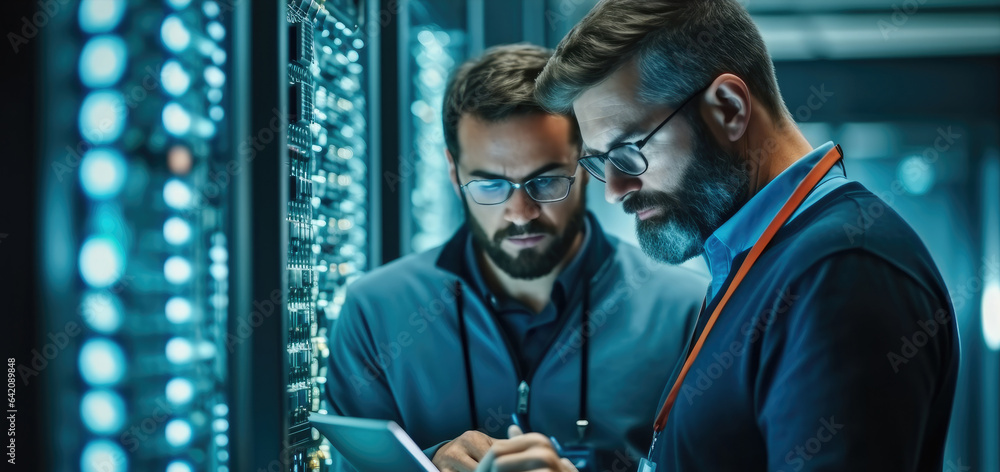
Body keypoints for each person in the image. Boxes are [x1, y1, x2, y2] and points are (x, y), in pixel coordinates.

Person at [477, 1, 961, 471]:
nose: (615, 190)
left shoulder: (843, 269)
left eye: (628, 151)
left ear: (728, 108)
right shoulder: (764, 256)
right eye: (601, 163)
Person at [324, 43, 708, 472]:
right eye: (489, 186)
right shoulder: (373, 313)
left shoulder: (685, 311)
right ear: (454, 174)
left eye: (545, 182)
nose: (521, 213)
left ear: (584, 166)